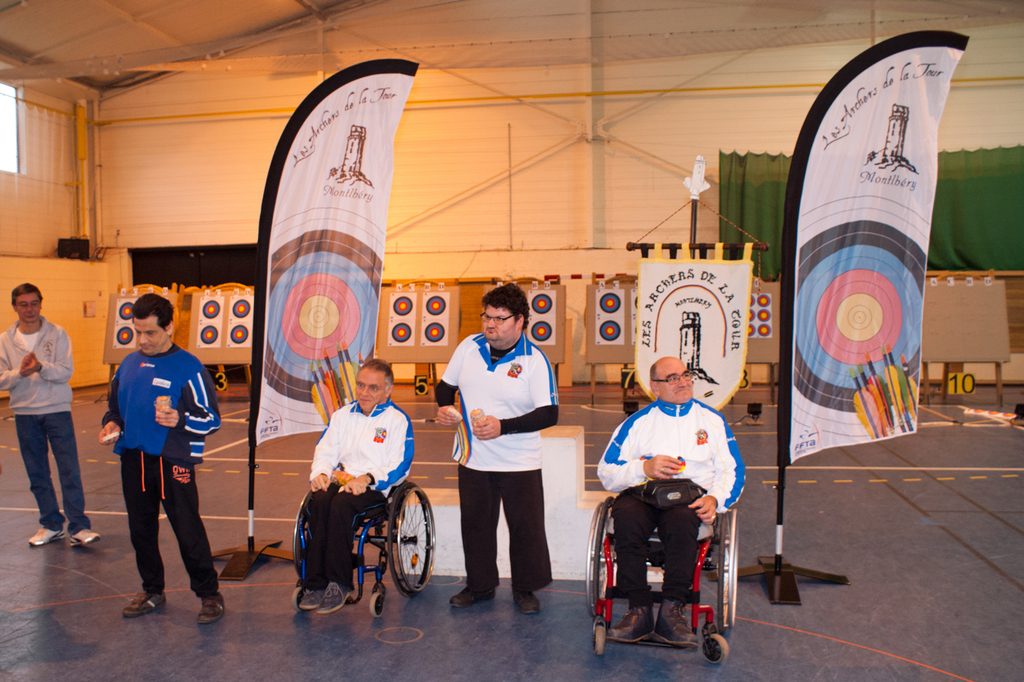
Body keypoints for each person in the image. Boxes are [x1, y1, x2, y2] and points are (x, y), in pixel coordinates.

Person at [597, 356, 744, 647]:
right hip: (643, 493)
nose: (683, 382)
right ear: (655, 386)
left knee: (682, 522)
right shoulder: (637, 423)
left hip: (688, 497)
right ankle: (638, 610)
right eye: (673, 378)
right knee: (626, 517)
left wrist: (715, 498)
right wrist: (643, 468)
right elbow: (606, 471)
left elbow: (732, 470)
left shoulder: (711, 421)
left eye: (686, 375)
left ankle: (672, 612)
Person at [98, 293, 225, 624]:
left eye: (151, 332)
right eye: (137, 332)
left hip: (174, 462)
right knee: (140, 531)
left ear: (168, 327)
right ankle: (152, 590)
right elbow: (114, 409)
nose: (143, 340)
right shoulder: (127, 365)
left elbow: (212, 420)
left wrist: (180, 419)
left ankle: (210, 594)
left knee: (187, 530)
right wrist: (111, 424)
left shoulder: (190, 368)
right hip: (134, 460)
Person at [434, 282, 558, 614]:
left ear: (520, 321)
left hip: (519, 460)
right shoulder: (468, 346)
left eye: (500, 319)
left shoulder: (535, 361)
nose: (490, 324)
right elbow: (445, 387)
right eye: (487, 317)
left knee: (526, 529)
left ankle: (525, 589)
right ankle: (480, 586)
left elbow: (549, 413)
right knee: (475, 525)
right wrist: (445, 408)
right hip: (473, 457)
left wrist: (503, 426)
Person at [299, 358, 414, 614]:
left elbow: (400, 465)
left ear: (388, 390)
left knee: (341, 506)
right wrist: (320, 474)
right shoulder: (342, 415)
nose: (364, 392)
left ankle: (339, 583)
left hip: (374, 488)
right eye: (360, 385)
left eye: (373, 388)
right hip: (342, 480)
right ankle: (315, 583)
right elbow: (325, 451)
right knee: (319, 501)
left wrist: (368, 478)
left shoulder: (397, 420)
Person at [0, 283, 99, 548]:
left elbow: (66, 372)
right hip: (25, 415)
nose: (29, 309)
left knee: (69, 470)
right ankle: (51, 525)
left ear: (41, 304)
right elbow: (1, 379)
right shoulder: (4, 340)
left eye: (34, 303)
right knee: (37, 474)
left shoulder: (57, 333)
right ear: (14, 307)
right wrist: (19, 373)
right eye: (23, 304)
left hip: (57, 412)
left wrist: (40, 367)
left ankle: (78, 526)